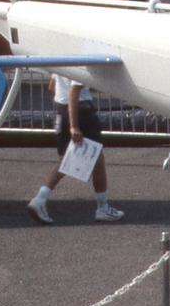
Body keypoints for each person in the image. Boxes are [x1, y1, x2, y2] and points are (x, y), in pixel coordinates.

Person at [27, 74, 122, 224]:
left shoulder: (61, 61)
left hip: (61, 111)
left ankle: (40, 198)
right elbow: (74, 92)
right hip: (81, 113)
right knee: (96, 158)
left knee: (67, 160)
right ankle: (102, 208)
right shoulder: (80, 62)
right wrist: (74, 126)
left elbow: (52, 86)